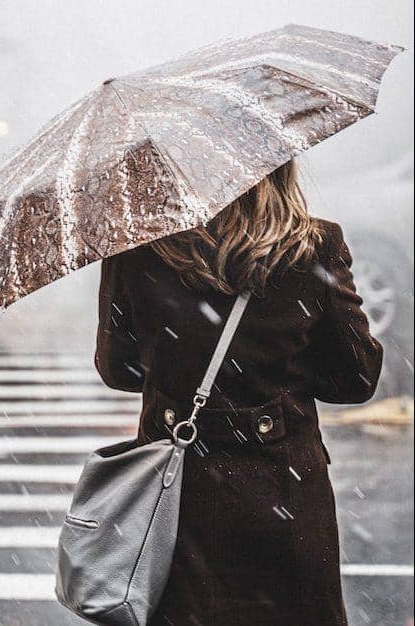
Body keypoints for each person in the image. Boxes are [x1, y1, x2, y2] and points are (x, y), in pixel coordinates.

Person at [94, 159, 383, 626]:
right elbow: (356, 378)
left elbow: (118, 369)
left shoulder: (139, 248)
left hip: (176, 496)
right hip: (283, 492)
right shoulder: (312, 247)